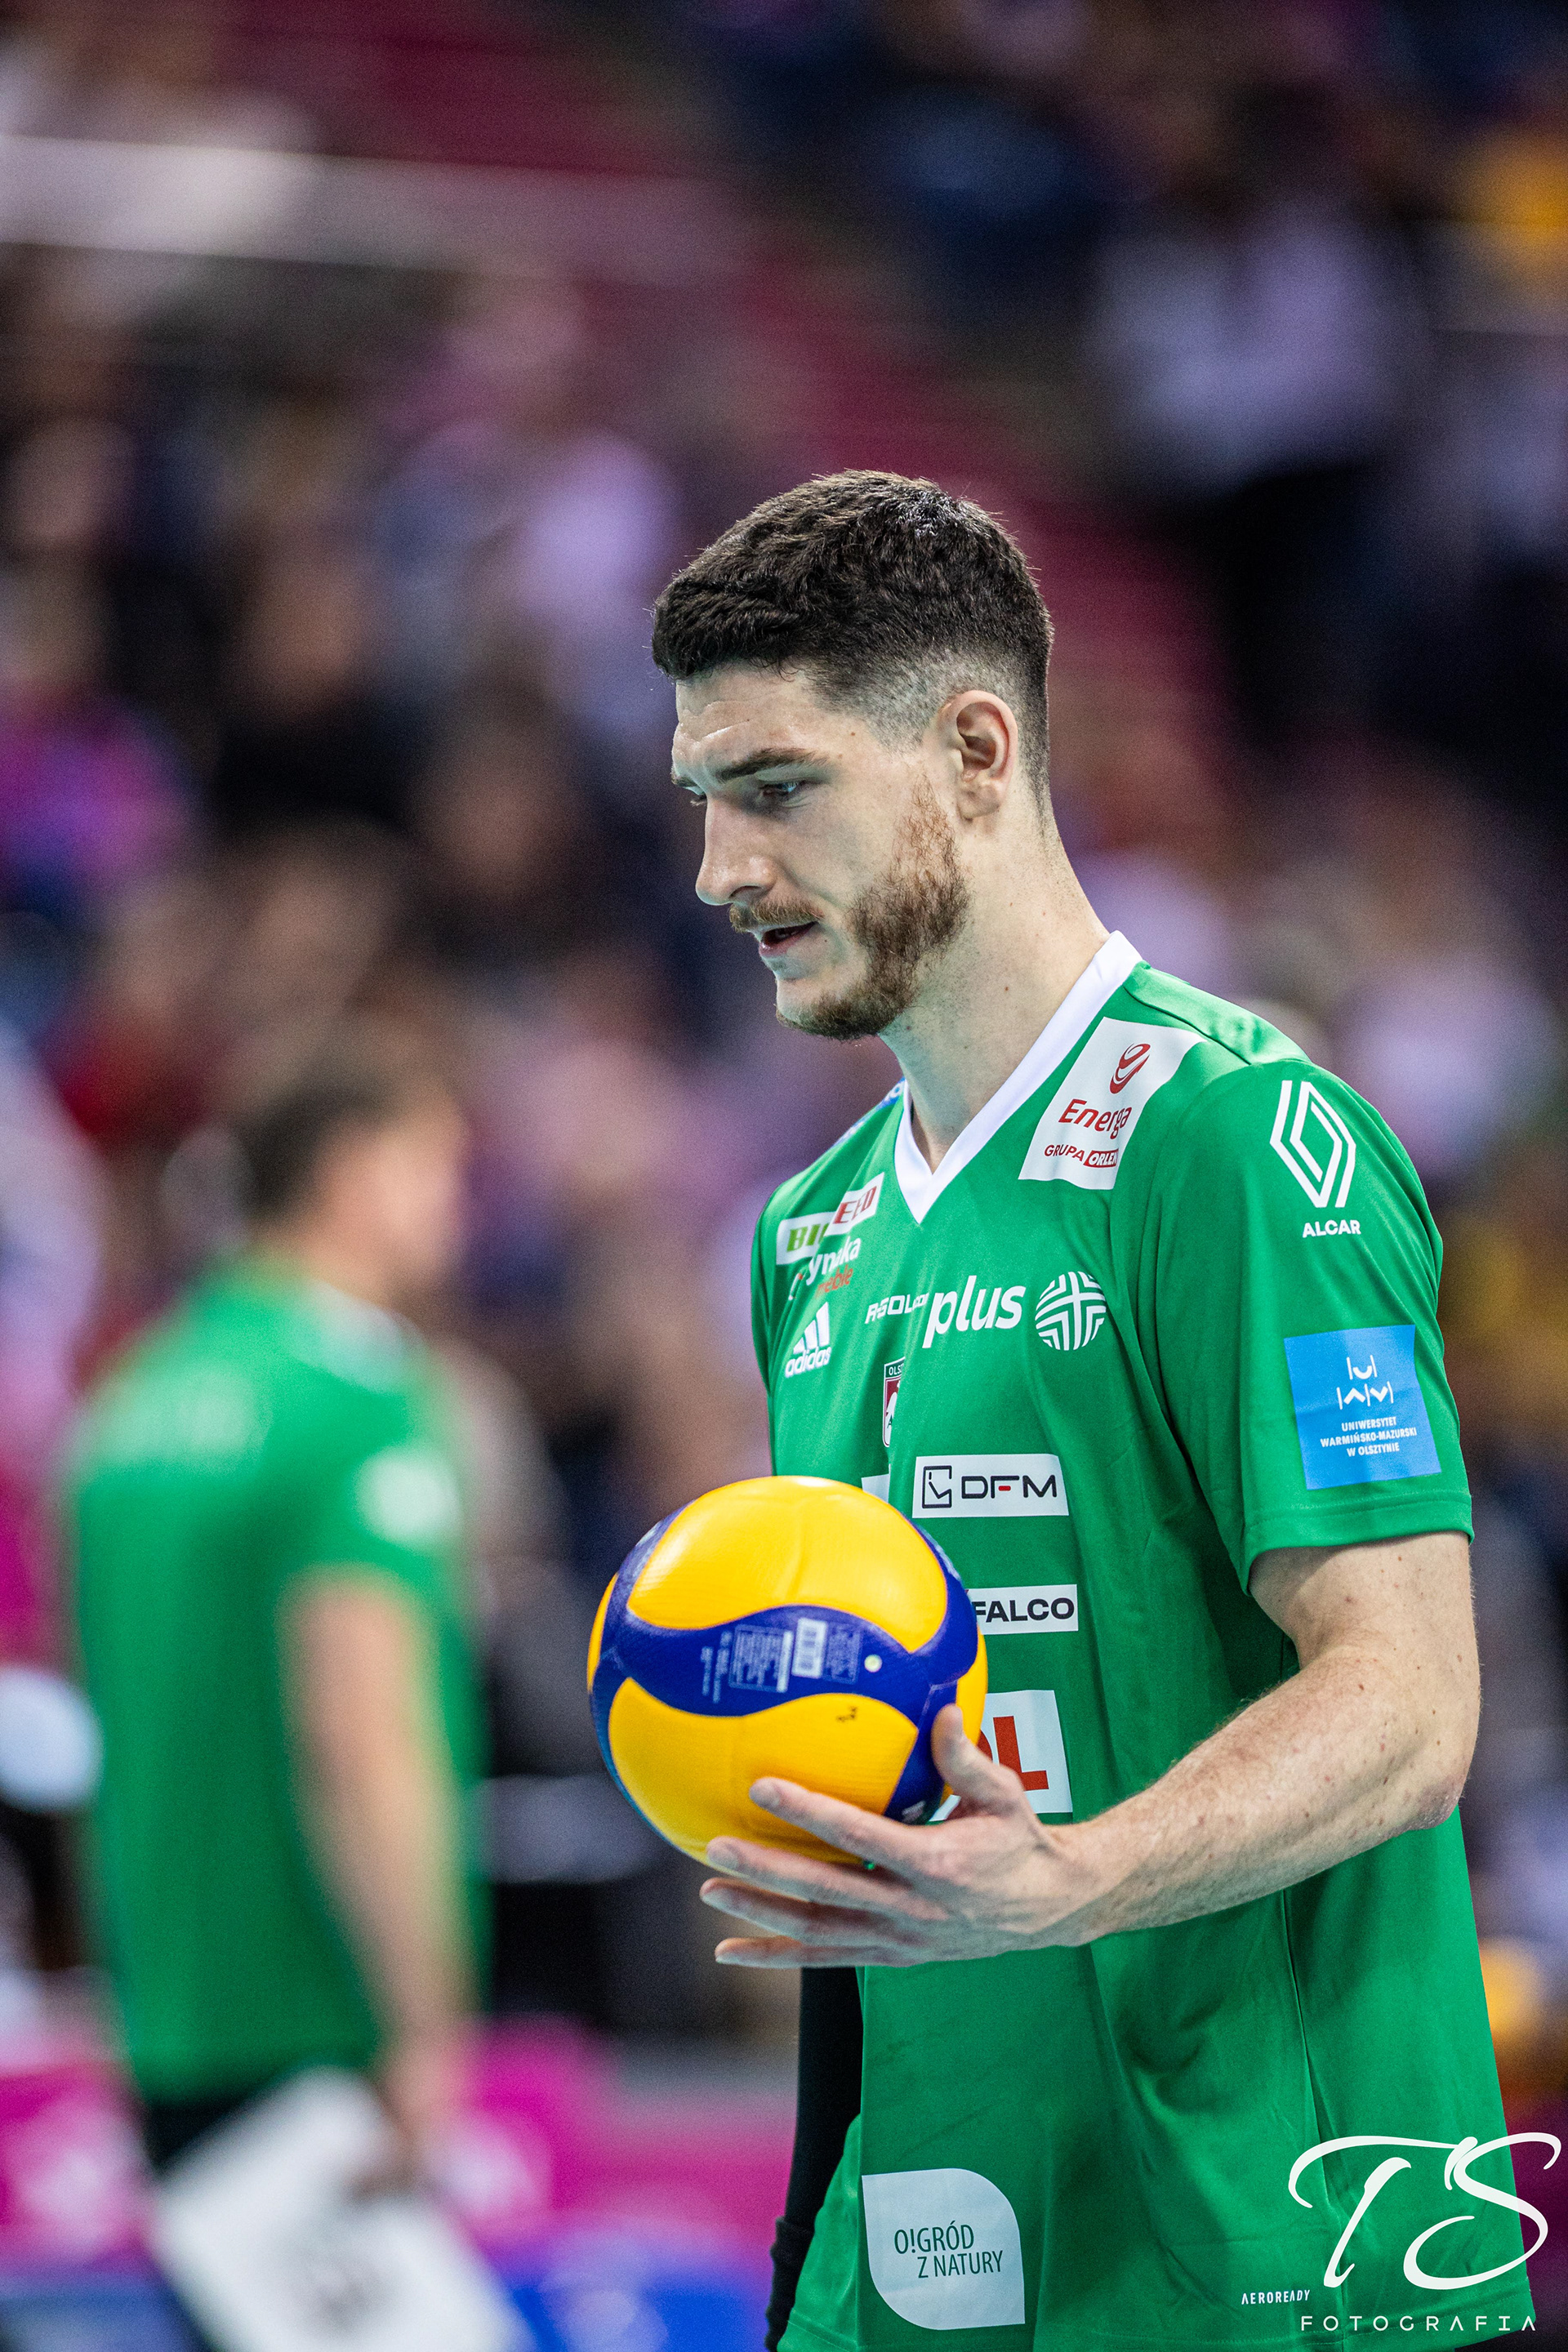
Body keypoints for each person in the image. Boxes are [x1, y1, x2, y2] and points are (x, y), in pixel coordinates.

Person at [652, 473, 1527, 2347]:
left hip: (1269, 2253)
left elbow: (1411, 1701)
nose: (721, 868)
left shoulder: (1239, 1141)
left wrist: (1073, 1877)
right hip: (925, 2232)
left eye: (778, 787)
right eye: (702, 798)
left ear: (976, 752)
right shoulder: (813, 1234)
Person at [68, 1026, 481, 2190]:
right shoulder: (356, 1401)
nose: (458, 1206)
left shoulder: (130, 1403)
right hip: (320, 2027)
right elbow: (359, 1735)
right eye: (437, 1166)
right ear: (354, 1172)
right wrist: (423, 2026)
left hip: (164, 2020)